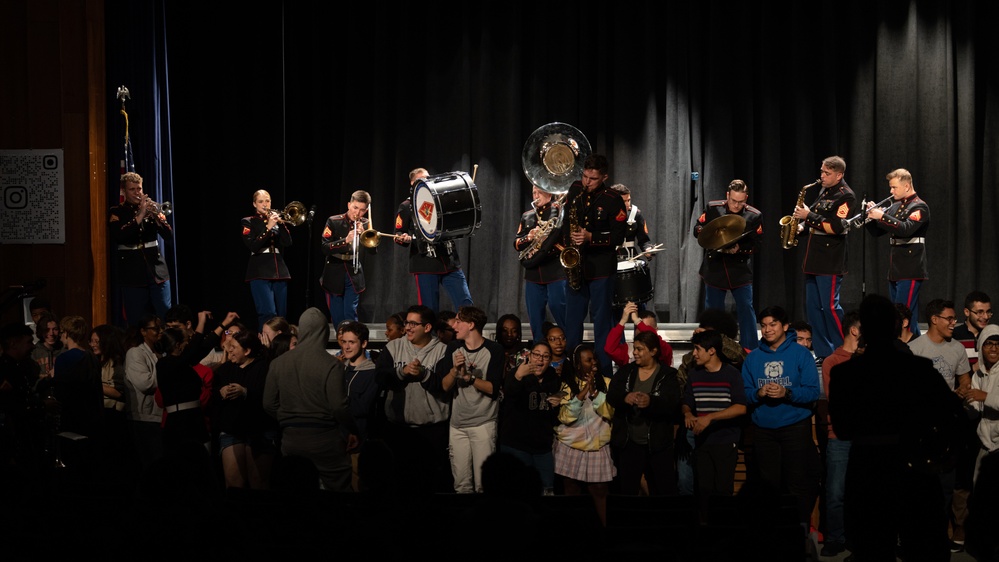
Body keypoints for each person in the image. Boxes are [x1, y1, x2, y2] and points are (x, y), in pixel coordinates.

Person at [829, 294, 962, 561]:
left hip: (867, 468)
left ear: (863, 328)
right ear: (894, 325)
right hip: (914, 466)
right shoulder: (920, 369)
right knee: (922, 547)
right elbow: (952, 414)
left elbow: (842, 429)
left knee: (872, 549)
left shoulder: (846, 374)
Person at [741, 305, 821, 535]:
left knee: (797, 484)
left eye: (773, 324)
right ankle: (772, 535)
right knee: (769, 486)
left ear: (785, 327)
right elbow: (744, 394)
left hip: (795, 427)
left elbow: (812, 393)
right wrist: (758, 394)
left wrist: (787, 393)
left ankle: (799, 532)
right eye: (763, 325)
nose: (767, 330)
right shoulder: (753, 358)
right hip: (764, 430)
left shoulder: (801, 354)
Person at [263, 307, 356, 493]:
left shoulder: (278, 363)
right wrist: (351, 429)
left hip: (291, 439)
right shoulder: (331, 365)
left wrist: (287, 419)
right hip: (326, 440)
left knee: (294, 491)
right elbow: (338, 406)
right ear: (323, 332)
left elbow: (268, 404)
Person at [909, 298, 973, 552]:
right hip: (922, 428)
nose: (953, 322)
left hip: (947, 427)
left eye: (954, 318)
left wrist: (962, 390)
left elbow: (964, 378)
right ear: (934, 320)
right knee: (920, 486)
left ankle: (938, 534)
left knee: (946, 486)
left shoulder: (956, 348)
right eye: (949, 318)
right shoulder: (915, 348)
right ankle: (916, 537)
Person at [374, 304, 452, 494]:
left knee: (429, 483)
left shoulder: (443, 351)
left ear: (427, 327)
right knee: (397, 482)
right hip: (398, 429)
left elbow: (443, 386)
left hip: (431, 431)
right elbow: (380, 378)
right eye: (406, 323)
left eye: (413, 324)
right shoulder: (393, 347)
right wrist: (402, 372)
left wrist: (423, 374)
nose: (407, 327)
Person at [561, 154, 627, 374]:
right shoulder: (575, 189)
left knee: (602, 323)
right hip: (577, 266)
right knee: (572, 322)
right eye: (585, 176)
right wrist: (566, 245)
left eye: (593, 178)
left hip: (601, 269)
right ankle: (572, 371)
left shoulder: (613, 198)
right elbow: (566, 222)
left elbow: (618, 236)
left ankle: (605, 374)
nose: (587, 182)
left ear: (604, 177)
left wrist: (591, 237)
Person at [791, 156, 856, 359]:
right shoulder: (824, 190)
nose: (822, 176)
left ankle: (843, 348)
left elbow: (836, 226)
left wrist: (808, 216)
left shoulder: (846, 196)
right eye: (821, 172)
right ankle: (823, 352)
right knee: (813, 309)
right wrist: (801, 227)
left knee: (829, 307)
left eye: (827, 173)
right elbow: (817, 221)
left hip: (830, 259)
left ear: (839, 175)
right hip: (813, 258)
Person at [437, 306, 504, 493]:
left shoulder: (494, 350)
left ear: (471, 325)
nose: (454, 326)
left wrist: (469, 378)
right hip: (457, 425)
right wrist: (454, 371)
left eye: (458, 321)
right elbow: (444, 386)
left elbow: (492, 388)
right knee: (461, 485)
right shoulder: (453, 347)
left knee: (484, 485)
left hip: (483, 424)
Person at [606, 331, 682, 496]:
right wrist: (625, 397)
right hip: (629, 444)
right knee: (627, 490)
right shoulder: (626, 372)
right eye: (634, 348)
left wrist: (651, 402)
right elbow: (612, 395)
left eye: (639, 349)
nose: (634, 352)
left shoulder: (667, 375)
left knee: (663, 490)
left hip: (658, 445)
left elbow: (673, 402)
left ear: (653, 351)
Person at [683, 329, 747, 519]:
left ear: (712, 351)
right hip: (702, 441)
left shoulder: (731, 374)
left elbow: (741, 407)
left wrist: (710, 417)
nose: (694, 354)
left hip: (726, 441)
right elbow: (687, 402)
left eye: (697, 349)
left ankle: (723, 531)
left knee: (723, 490)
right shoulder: (694, 374)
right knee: (703, 491)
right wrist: (687, 413)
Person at [693, 179, 763, 350]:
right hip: (715, 267)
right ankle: (712, 348)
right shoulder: (713, 208)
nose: (736, 205)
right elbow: (698, 228)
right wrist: (707, 233)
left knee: (746, 309)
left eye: (741, 202)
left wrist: (740, 248)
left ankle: (749, 349)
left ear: (746, 198)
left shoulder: (754, 215)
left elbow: (757, 244)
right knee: (713, 313)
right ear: (727, 196)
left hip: (739, 269)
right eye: (733, 201)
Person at [392, 168, 473, 313]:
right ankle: (432, 336)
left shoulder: (441, 199)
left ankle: (467, 335)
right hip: (425, 263)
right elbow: (399, 233)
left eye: (428, 178)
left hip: (449, 259)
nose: (427, 181)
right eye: (422, 179)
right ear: (413, 183)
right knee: (429, 310)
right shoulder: (406, 206)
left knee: (465, 303)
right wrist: (402, 238)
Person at [863, 168, 930, 336]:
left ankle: (903, 347)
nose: (891, 191)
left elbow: (906, 229)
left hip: (911, 266)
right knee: (905, 314)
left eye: (894, 187)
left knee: (902, 314)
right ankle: (914, 346)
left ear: (907, 186)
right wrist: (869, 217)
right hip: (896, 268)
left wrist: (882, 216)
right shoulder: (896, 206)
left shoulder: (919, 206)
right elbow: (877, 232)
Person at [553, 344, 615, 525]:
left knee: (600, 491)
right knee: (571, 492)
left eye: (594, 358)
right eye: (588, 360)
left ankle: (604, 534)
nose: (594, 363)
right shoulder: (566, 384)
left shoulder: (607, 383)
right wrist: (581, 395)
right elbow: (565, 417)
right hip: (571, 446)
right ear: (578, 365)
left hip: (597, 446)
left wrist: (595, 393)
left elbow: (611, 413)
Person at [817, 310, 860, 557]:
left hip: (865, 435)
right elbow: (837, 400)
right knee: (835, 491)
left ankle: (855, 537)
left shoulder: (869, 359)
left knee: (860, 490)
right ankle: (835, 537)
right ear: (854, 330)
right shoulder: (833, 361)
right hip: (841, 435)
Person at [108, 171, 172, 327]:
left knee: (165, 313)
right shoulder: (116, 211)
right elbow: (119, 236)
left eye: (139, 189)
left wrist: (157, 217)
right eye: (132, 189)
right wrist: (141, 214)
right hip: (132, 273)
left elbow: (168, 235)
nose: (137, 193)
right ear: (123, 191)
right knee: (137, 319)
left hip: (157, 270)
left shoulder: (153, 207)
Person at [499, 340, 562, 495]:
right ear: (530, 355)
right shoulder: (517, 373)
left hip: (542, 447)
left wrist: (556, 406)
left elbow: (552, 416)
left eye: (545, 357)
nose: (540, 360)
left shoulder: (553, 378)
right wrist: (518, 376)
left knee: (547, 489)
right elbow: (509, 394)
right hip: (516, 444)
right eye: (537, 355)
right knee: (517, 491)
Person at [514, 185, 568, 343]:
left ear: (549, 193)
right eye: (533, 192)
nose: (536, 196)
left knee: (559, 308)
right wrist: (529, 238)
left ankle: (568, 348)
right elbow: (517, 243)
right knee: (535, 316)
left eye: (539, 192)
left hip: (555, 269)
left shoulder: (559, 211)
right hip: (533, 272)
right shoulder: (527, 216)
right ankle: (539, 348)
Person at [321, 190, 374, 326]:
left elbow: (372, 252)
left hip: (353, 271)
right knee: (338, 316)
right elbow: (325, 247)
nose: (357, 213)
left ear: (366, 210)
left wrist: (364, 235)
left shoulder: (366, 224)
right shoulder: (334, 221)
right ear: (349, 204)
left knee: (350, 312)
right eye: (355, 208)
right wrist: (345, 240)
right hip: (334, 271)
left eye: (362, 210)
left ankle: (352, 343)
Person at [242, 189, 293, 332]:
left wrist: (281, 224)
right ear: (254, 204)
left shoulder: (276, 221)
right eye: (261, 201)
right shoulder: (248, 221)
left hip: (279, 271)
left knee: (281, 316)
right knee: (268, 314)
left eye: (267, 201)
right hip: (259, 271)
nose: (265, 204)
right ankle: (265, 348)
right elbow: (253, 245)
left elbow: (287, 243)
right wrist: (268, 227)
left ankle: (281, 348)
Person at [155, 328, 209, 454]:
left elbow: (201, 349)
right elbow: (191, 352)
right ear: (178, 345)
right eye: (186, 341)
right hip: (179, 423)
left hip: (194, 420)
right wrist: (201, 325)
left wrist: (222, 326)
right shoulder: (164, 364)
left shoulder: (184, 364)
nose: (188, 344)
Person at [125, 314, 164, 470]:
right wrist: (166, 371)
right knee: (150, 465)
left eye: (162, 328)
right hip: (144, 419)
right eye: (155, 328)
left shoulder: (160, 353)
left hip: (159, 417)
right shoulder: (135, 353)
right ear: (143, 331)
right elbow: (146, 384)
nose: (160, 332)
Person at [968, 324, 999, 484]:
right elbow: (974, 411)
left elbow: (984, 398)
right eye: (989, 343)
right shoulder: (978, 375)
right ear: (981, 347)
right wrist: (966, 400)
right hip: (985, 444)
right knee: (979, 490)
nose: (994, 348)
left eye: (998, 344)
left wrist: (985, 396)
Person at [605, 302, 674, 369]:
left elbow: (653, 338)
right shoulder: (629, 351)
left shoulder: (663, 348)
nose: (643, 331)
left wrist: (637, 321)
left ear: (655, 330)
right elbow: (609, 349)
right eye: (639, 328)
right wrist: (622, 321)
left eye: (646, 327)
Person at [953, 290, 993, 373]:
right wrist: (974, 368)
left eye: (988, 312)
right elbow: (948, 371)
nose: (985, 317)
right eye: (980, 312)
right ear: (967, 312)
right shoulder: (953, 336)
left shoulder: (994, 336)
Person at [30, 312, 62, 384]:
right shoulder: (34, 352)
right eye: (47, 329)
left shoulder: (64, 350)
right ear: (41, 331)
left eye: (55, 329)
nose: (51, 333)